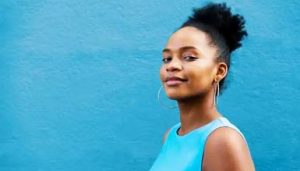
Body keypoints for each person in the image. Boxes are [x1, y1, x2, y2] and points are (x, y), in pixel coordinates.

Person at [150, 2, 255, 171]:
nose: (171, 66)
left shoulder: (222, 140)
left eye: (189, 57)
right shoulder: (170, 136)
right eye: (167, 58)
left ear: (219, 71)